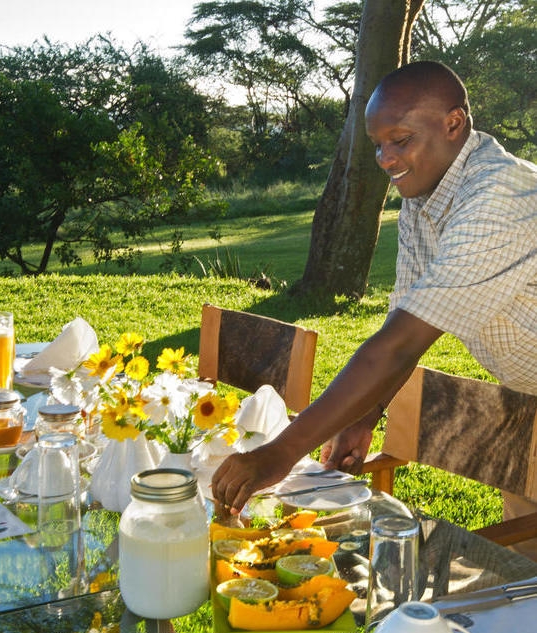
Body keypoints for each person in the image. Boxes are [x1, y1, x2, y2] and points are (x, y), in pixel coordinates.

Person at [211, 60, 537, 515]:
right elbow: (403, 317)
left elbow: (399, 347)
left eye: (400, 141)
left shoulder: (498, 196)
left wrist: (280, 453)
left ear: (453, 124)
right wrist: (364, 415)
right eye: (378, 145)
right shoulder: (424, 196)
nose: (385, 159)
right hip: (525, 392)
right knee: (520, 569)